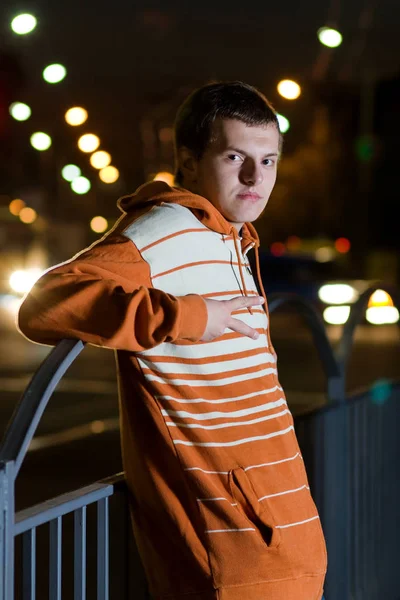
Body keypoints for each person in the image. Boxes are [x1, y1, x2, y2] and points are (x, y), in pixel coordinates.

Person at [18, 81, 327, 600]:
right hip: (233, 548)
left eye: (269, 160)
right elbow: (47, 302)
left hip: (281, 534)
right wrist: (183, 315)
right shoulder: (163, 229)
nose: (256, 178)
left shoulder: (229, 234)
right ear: (188, 161)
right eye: (235, 157)